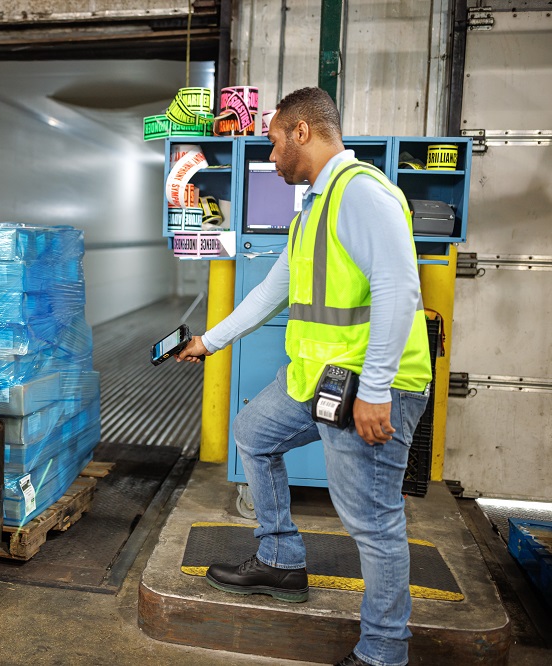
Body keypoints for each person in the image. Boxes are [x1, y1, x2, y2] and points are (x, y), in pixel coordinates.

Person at [177, 87, 431, 666]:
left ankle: (384, 652)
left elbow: (399, 291)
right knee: (254, 433)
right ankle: (281, 559)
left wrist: (373, 391)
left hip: (371, 387)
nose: (270, 155)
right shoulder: (313, 206)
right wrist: (209, 341)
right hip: (317, 383)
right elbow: (274, 289)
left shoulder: (361, 195)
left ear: (301, 132)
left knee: (373, 520)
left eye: (272, 140)